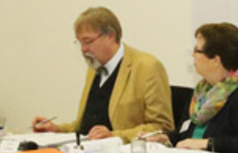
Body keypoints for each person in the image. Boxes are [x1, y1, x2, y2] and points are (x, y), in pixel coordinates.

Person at [33, 7, 173, 143]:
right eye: (80, 42)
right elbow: (85, 126)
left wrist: (115, 136)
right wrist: (56, 129)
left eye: (88, 41)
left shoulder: (147, 67)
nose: (83, 49)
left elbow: (161, 127)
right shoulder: (93, 67)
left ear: (110, 36)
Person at [161, 23, 238, 153]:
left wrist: (207, 144)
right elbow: (186, 134)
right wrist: (164, 138)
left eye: (197, 50)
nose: (192, 55)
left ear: (215, 60)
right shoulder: (201, 93)